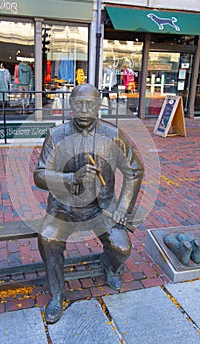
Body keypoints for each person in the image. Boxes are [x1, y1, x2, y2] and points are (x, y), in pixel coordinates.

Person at [34, 83, 144, 324]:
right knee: (48, 239)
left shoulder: (113, 135)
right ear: (71, 106)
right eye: (79, 104)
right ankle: (57, 293)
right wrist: (71, 178)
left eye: (90, 104)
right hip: (64, 208)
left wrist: (124, 209)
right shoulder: (56, 136)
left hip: (101, 207)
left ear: (98, 107)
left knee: (122, 246)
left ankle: (109, 265)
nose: (84, 109)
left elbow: (135, 170)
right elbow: (40, 175)